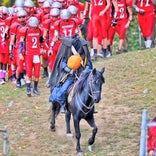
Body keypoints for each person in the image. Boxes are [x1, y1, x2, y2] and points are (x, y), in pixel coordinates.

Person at [49, 9, 92, 113]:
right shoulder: (66, 47)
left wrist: (88, 69)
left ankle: (90, 106)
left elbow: (87, 59)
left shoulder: (82, 43)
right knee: (63, 89)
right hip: (70, 73)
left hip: (81, 72)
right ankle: (63, 105)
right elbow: (63, 61)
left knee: (91, 87)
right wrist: (68, 69)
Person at [19, 16, 49, 96]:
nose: (33, 28)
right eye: (32, 27)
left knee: (37, 73)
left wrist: (48, 48)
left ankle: (35, 88)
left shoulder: (39, 30)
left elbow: (42, 41)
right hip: (28, 54)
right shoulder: (25, 31)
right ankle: (28, 89)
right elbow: (21, 43)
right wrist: (20, 53)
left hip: (36, 54)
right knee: (28, 72)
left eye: (34, 27)